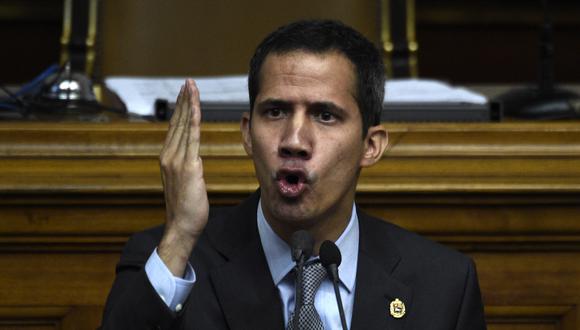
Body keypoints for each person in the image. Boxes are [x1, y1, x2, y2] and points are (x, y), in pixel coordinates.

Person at [101, 19, 486, 329]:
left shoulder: (444, 284)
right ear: (247, 134)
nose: (294, 140)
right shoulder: (172, 262)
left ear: (371, 146)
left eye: (325, 115)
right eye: (275, 112)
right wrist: (181, 236)